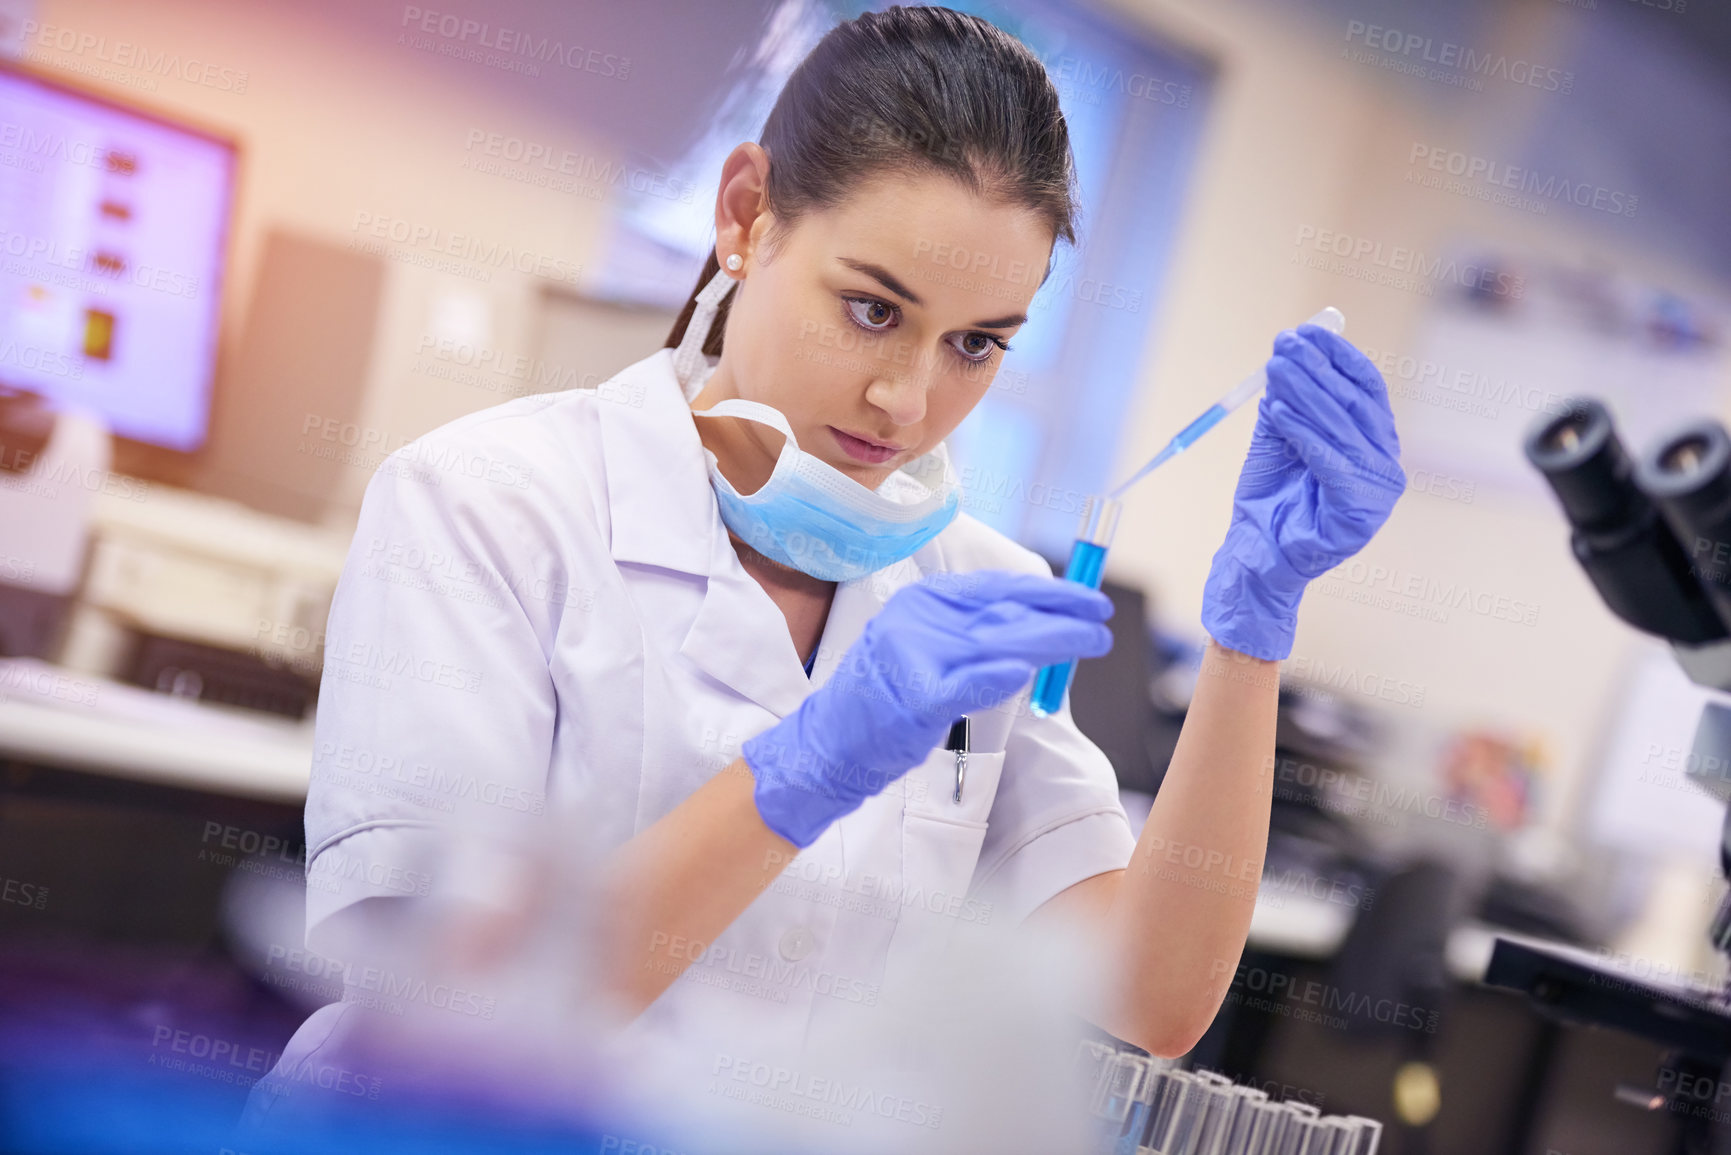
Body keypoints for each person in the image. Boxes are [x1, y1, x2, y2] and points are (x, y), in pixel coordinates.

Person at [247, 3, 1403, 1134]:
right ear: (747, 215)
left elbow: (1153, 997)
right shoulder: (489, 503)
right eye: (869, 308)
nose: (909, 399)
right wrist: (804, 767)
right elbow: (451, 1016)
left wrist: (1256, 626)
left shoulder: (966, 592)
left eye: (977, 344)